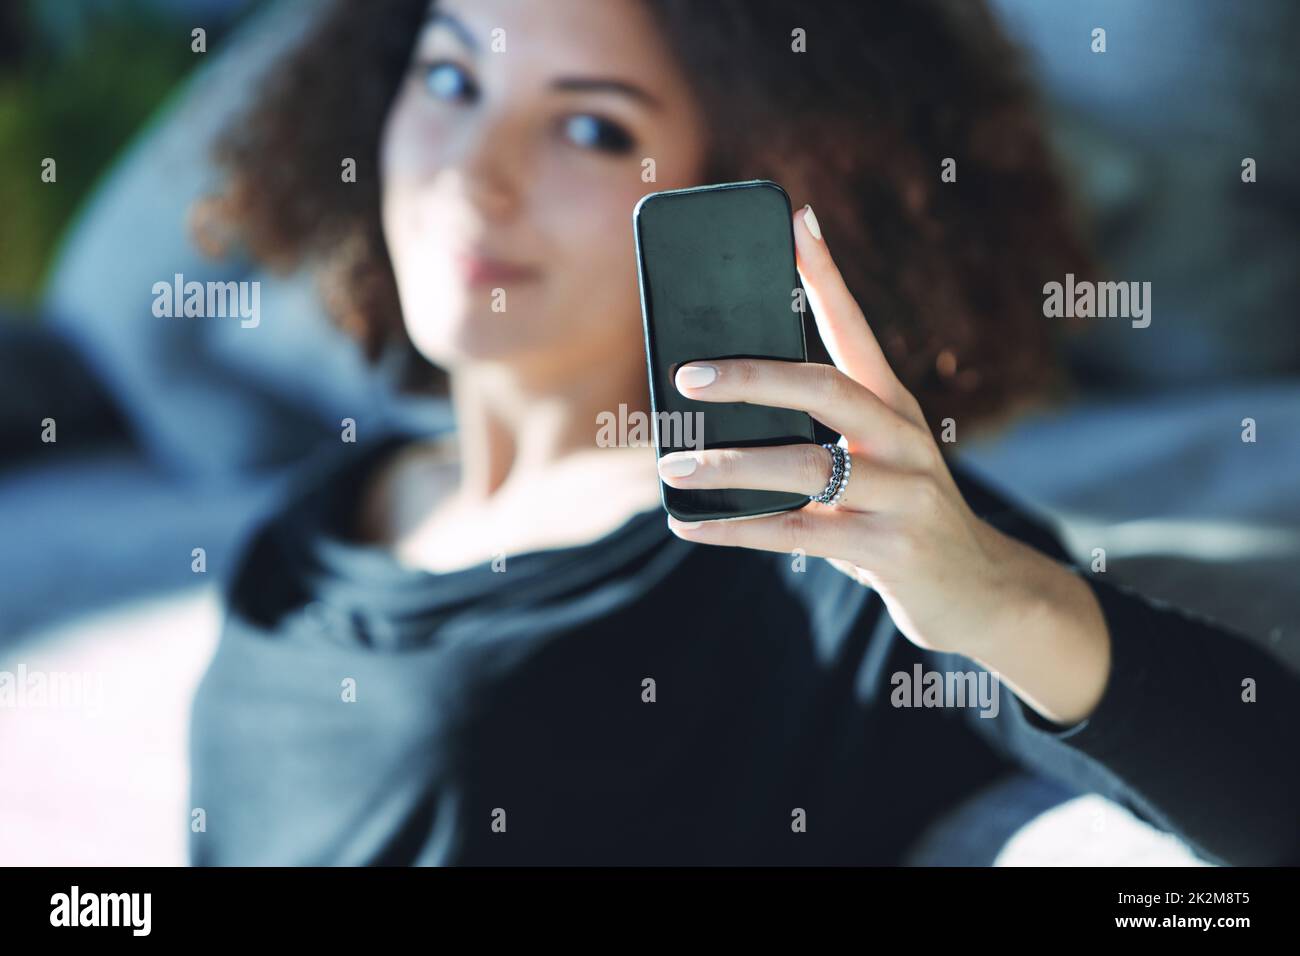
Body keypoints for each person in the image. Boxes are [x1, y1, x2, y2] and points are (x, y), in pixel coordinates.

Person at [187, 0, 1299, 865]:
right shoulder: (304, 531)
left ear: (739, 198)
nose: (472, 174)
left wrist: (998, 596)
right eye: (449, 77)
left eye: (589, 126)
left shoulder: (811, 543)